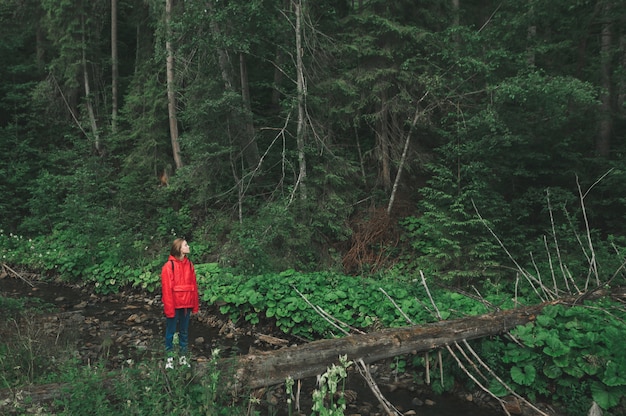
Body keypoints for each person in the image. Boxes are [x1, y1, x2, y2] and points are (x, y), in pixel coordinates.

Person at [161, 238, 199, 368]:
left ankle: (183, 358)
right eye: (185, 245)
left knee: (184, 332)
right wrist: (169, 309)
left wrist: (194, 305)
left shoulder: (189, 265)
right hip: (175, 304)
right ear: (179, 249)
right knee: (170, 332)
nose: (188, 246)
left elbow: (194, 285)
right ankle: (169, 359)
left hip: (186, 304)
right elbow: (167, 290)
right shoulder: (168, 266)